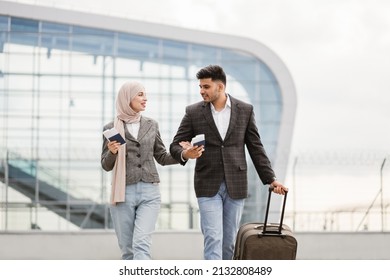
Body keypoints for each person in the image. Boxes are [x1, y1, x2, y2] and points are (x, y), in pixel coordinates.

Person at [170, 64, 288, 260]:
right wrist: (186, 153)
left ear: (220, 87)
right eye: (200, 87)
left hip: (236, 184)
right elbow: (175, 145)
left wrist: (271, 179)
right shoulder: (193, 112)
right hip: (207, 184)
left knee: (228, 242)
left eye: (206, 87)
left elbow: (256, 148)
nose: (201, 91)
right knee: (213, 237)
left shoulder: (245, 110)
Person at [101, 81, 178, 260]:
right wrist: (112, 152)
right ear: (127, 98)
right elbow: (105, 165)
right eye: (140, 94)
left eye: (145, 94)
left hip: (150, 191)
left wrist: (184, 155)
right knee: (128, 251)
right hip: (123, 193)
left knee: (141, 245)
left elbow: (162, 156)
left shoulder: (152, 124)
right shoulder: (110, 129)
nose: (145, 99)